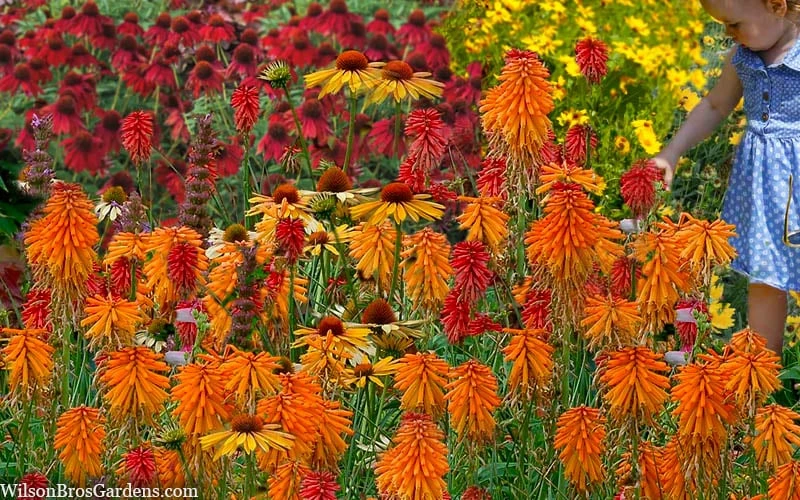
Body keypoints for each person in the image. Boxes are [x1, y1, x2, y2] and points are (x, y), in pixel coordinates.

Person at [652, 0, 800, 354]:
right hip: (764, 191)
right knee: (765, 279)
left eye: (734, 24)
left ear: (777, 6)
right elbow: (716, 106)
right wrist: (671, 153)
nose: (728, 33)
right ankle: (761, 375)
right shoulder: (744, 56)